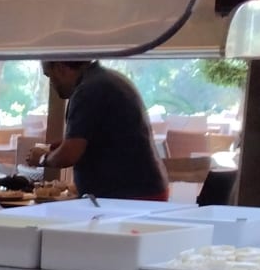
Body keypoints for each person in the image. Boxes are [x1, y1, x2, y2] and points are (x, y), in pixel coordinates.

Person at [29, 60, 168, 201]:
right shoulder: (108, 79)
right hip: (144, 189)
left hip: (129, 195)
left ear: (60, 68)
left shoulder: (87, 90)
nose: (52, 84)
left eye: (49, 75)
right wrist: (53, 148)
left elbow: (70, 154)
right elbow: (93, 139)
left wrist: (42, 159)